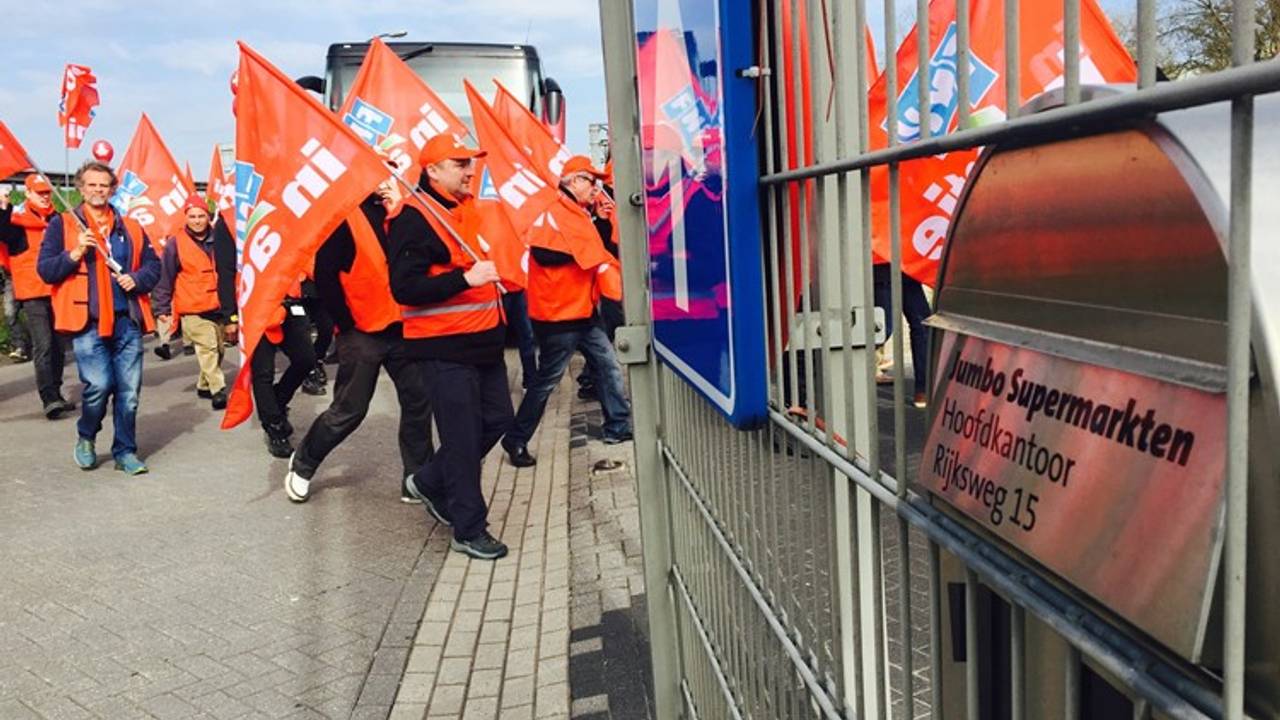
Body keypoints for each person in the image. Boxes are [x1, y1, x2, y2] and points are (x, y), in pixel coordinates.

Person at [389, 133, 512, 561]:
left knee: (497, 421)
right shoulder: (413, 217)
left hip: (483, 343)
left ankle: (426, 482)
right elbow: (405, 288)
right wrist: (465, 279)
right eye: (459, 163)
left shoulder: (462, 211)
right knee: (462, 442)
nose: (469, 170)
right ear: (433, 170)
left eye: (470, 162)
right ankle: (469, 529)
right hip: (444, 349)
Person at [283, 174, 433, 504]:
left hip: (402, 328)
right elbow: (325, 276)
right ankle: (304, 463)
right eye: (378, 173)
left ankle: (417, 479)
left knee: (418, 402)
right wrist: (347, 325)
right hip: (362, 332)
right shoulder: (343, 217)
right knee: (350, 410)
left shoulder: (400, 214)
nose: (384, 180)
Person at [502, 155, 632, 468]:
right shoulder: (553, 211)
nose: (596, 188)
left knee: (609, 365)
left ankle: (618, 426)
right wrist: (583, 253)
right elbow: (544, 254)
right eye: (591, 180)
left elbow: (598, 251)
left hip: (583, 311)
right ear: (572, 181)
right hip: (558, 317)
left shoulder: (579, 214)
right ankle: (516, 439)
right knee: (546, 382)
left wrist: (599, 223)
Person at [37, 161, 160, 474]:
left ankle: (125, 451)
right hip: (87, 321)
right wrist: (74, 253)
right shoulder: (63, 224)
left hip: (127, 319)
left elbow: (153, 266)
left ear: (112, 189)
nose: (97, 190)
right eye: (91, 185)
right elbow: (46, 270)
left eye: (103, 185)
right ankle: (87, 435)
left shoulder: (130, 226)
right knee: (99, 386)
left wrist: (138, 279)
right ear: (80, 188)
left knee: (129, 393)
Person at [151, 196, 236, 410]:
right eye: (192, 216)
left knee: (219, 350)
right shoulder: (175, 244)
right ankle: (218, 390)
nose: (197, 221)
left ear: (208, 217)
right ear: (185, 217)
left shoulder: (221, 237)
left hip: (218, 305)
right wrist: (161, 307)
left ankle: (204, 384)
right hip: (193, 308)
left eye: (201, 216)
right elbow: (165, 277)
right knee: (207, 348)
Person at [0, 175, 73, 417]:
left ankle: (57, 392)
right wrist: (4, 208)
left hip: (58, 290)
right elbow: (2, 231)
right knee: (44, 345)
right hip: (33, 294)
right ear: (28, 193)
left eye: (47, 192)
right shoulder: (16, 223)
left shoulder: (58, 221)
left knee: (59, 347)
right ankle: (49, 398)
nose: (44, 196)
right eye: (39, 192)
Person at [250, 278, 317, 459]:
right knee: (263, 372)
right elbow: (227, 271)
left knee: (306, 359)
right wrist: (229, 315)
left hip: (291, 304)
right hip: (255, 307)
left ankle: (276, 403)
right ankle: (274, 427)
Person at [872, 260, 933, 408]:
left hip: (903, 268)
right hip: (891, 267)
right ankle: (923, 391)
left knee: (922, 325)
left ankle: (923, 389)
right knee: (882, 329)